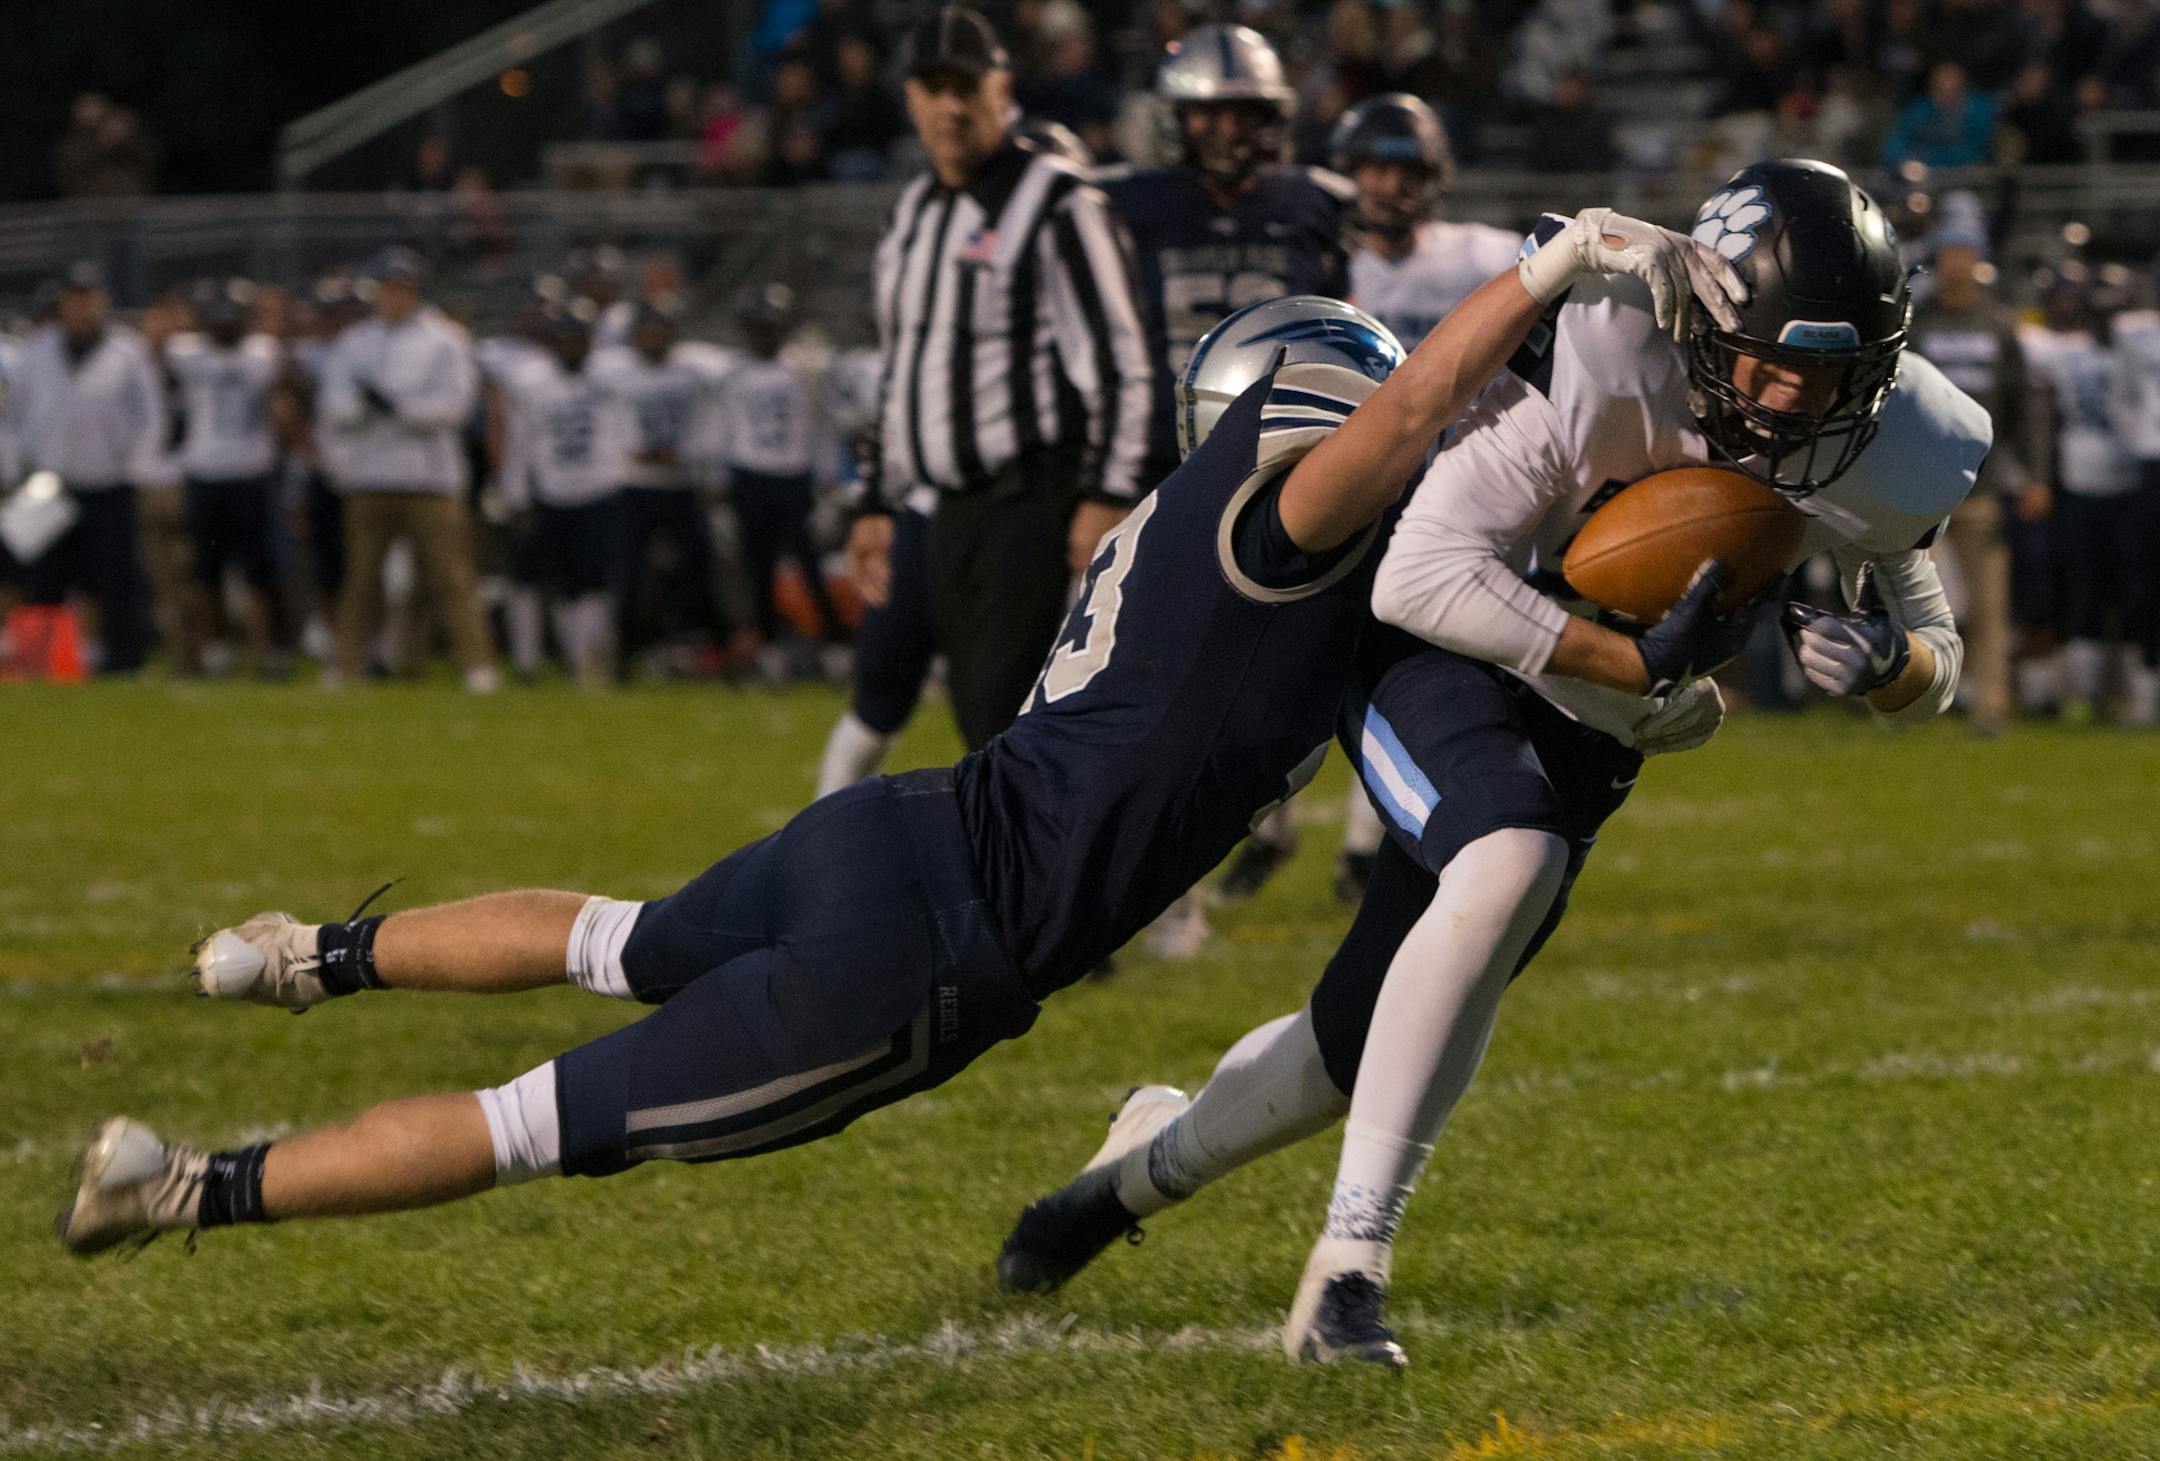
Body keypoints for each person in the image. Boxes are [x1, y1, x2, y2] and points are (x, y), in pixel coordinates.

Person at [54, 209, 1744, 1259]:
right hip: (927, 946)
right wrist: (1541, 276)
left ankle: (311, 957)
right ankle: (185, 1190)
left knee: (610, 937)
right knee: (527, 1124)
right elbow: (1415, 421)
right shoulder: (1294, 514)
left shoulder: (1175, 516)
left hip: (899, 831)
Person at [998, 159, 1994, 1371]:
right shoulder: (1604, 357)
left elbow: (1938, 654)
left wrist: (1891, 665)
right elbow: (1418, 578)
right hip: (1441, 652)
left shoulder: (1889, 441)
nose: (1788, 401)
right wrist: (1632, 670)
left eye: (1826, 374)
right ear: (1703, 320)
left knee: (1352, 1048)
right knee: (1508, 859)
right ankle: (1348, 1276)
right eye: (1768, 360)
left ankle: (1123, 1183)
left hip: (1592, 729)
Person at [818, 6, 1153, 786]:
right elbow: (901, 366)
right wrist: (873, 500)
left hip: (1028, 505)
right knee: (974, 722)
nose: (951, 107)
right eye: (934, 89)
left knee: (1013, 725)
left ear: (1003, 89)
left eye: (966, 87)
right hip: (941, 512)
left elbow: (1122, 361)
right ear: (909, 97)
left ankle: (1076, 899)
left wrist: (1106, 492)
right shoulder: (912, 212)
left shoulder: (1059, 202)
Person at [1096, 21, 1355, 910]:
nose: (1233, 132)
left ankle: (1264, 796)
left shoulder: (1313, 199)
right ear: (1175, 121)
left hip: (1284, 440)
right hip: (1168, 435)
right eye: (1212, 116)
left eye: (1249, 113)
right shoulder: (1124, 202)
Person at [1327, 90, 1523, 897]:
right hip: (1345, 487)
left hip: (1446, 496)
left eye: (1405, 169)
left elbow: (1554, 264)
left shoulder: (1475, 254)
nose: (1387, 185)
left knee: (1413, 664)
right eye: (1373, 166)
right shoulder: (1324, 259)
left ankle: (1363, 844)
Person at [320, 248, 495, 691]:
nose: (394, 297)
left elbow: (455, 408)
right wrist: (370, 410)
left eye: (402, 288)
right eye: (387, 289)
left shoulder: (446, 340)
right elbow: (335, 407)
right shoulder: (354, 341)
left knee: (451, 577)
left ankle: (476, 666)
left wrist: (396, 408)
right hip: (369, 476)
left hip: (430, 478)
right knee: (360, 579)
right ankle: (345, 665)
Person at [1907, 217, 2035, 733]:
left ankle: (1991, 706)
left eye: (1965, 252)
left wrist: (2030, 476)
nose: (1956, 263)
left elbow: (2020, 411)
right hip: (1921, 487)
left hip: (1981, 485)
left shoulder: (2000, 326)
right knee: (1913, 603)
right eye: (1948, 253)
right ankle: (1911, 700)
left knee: (1989, 607)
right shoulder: (1918, 325)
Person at [11, 260, 166, 674]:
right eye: (74, 299)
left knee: (116, 578)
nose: (81, 307)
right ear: (62, 303)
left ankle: (123, 662)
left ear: (103, 302)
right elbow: (15, 414)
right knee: (42, 576)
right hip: (46, 482)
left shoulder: (128, 350)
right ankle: (38, 663)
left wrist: (137, 466)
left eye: (89, 299)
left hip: (109, 481)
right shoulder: (36, 350)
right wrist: (19, 467)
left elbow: (151, 415)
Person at [590, 300, 736, 674]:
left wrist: (687, 454)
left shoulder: (696, 370)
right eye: (645, 330)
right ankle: (621, 656)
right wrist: (627, 456)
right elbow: (601, 424)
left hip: (681, 484)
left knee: (698, 571)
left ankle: (715, 653)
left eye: (659, 329)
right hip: (633, 486)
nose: (652, 337)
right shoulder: (612, 371)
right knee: (628, 574)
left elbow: (714, 423)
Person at [2028, 270, 2145, 723]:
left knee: (2127, 594)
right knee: (2084, 592)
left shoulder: (2131, 348)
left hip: (2127, 481)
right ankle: (2086, 695)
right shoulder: (2066, 352)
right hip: (2084, 482)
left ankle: (2127, 697)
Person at [712, 283, 846, 680]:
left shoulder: (803, 369)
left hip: (793, 474)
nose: (764, 334)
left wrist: (824, 477)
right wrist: (722, 480)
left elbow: (819, 425)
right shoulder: (733, 373)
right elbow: (725, 428)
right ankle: (770, 650)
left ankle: (833, 645)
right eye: (758, 326)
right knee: (759, 568)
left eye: (770, 326)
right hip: (750, 474)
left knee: (809, 564)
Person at [497, 304, 628, 689]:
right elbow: (520, 444)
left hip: (600, 490)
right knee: (533, 579)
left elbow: (626, 435)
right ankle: (528, 664)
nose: (572, 346)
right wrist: (516, 495)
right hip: (551, 492)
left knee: (590, 583)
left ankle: (586, 665)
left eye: (579, 338)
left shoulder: (612, 379)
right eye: (566, 338)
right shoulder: (532, 384)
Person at [164, 278, 290, 676]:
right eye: (215, 318)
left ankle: (270, 649)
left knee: (261, 572)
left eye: (230, 318)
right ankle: (214, 650)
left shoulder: (263, 354)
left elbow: (288, 395)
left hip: (251, 476)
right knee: (207, 572)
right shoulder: (186, 352)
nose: (223, 325)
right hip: (205, 475)